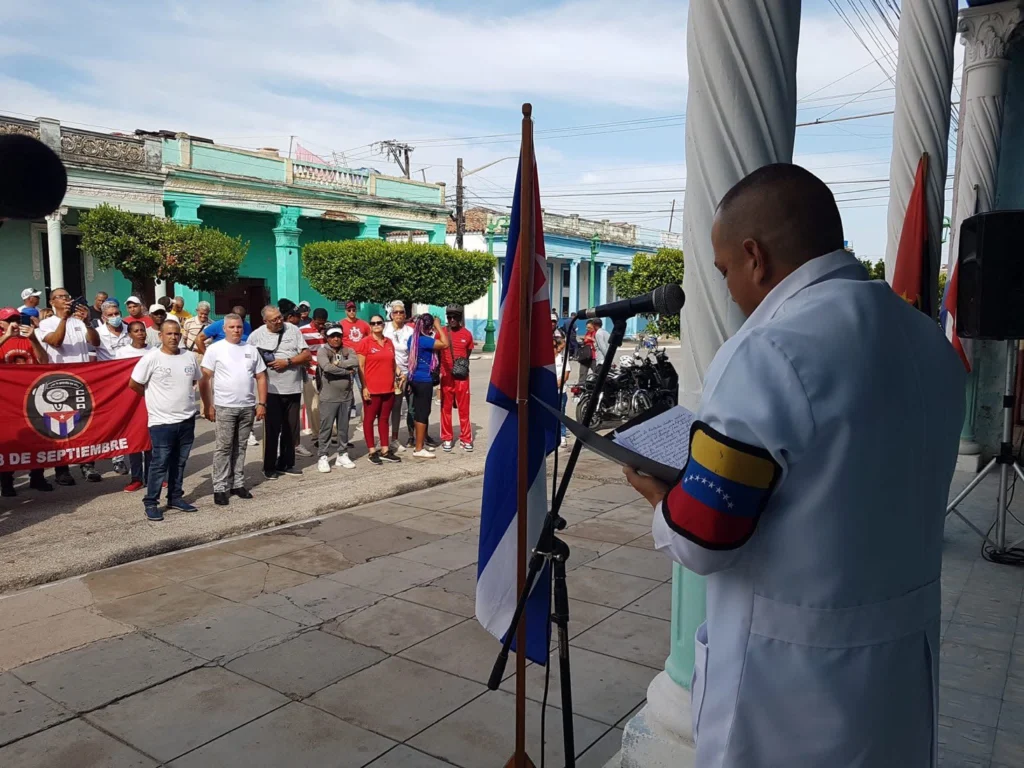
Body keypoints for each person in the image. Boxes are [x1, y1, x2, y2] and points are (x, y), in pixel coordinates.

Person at [623, 163, 965, 767]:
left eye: (725, 270)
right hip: (897, 680)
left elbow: (704, 541)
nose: (730, 290)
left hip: (789, 695)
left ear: (755, 257)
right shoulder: (928, 341)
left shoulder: (769, 352)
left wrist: (659, 496)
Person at [128, 319, 207, 521]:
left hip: (187, 419)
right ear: (160, 336)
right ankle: (151, 502)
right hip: (161, 422)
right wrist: (152, 398)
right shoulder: (151, 358)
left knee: (179, 463)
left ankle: (175, 497)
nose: (173, 337)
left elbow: (196, 379)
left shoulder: (189, 357)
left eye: (176, 334)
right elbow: (134, 384)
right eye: (169, 334)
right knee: (159, 463)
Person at [200, 313, 267, 506]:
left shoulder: (251, 349)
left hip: (247, 407)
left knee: (241, 446)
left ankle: (237, 483)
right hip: (225, 407)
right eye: (232, 327)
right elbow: (205, 378)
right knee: (224, 447)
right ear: (224, 329)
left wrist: (262, 403)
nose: (236, 330)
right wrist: (208, 405)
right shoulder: (215, 349)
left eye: (239, 327)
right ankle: (220, 487)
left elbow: (261, 377)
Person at [37, 287, 102, 484]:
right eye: (61, 297)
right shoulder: (46, 323)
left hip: (80, 380)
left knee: (84, 424)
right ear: (52, 302)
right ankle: (62, 469)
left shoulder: (78, 322)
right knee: (61, 426)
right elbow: (56, 342)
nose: (66, 299)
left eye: (67, 296)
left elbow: (95, 342)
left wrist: (88, 323)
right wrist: (64, 319)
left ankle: (87, 464)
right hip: (58, 381)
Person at [247, 305, 310, 479]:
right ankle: (269, 466)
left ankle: (286, 463)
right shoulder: (256, 336)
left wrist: (288, 362)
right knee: (272, 430)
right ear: (265, 321)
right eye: (274, 319)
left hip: (293, 388)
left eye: (280, 317)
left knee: (291, 428)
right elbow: (248, 360)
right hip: (271, 390)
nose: (279, 321)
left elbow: (306, 355)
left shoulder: (293, 330)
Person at [0, 308, 51, 497]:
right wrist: (6, 336)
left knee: (35, 437)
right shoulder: (2, 339)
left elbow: (44, 362)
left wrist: (34, 339)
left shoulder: (29, 338)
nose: (14, 322)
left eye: (17, 318)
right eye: (9, 320)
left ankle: (37, 476)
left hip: (30, 395)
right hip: (6, 398)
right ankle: (6, 481)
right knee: (8, 439)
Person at [356, 314, 401, 465]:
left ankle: (385, 450)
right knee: (369, 420)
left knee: (384, 419)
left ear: (383, 324)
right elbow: (361, 367)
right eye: (373, 323)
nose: (376, 325)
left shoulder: (389, 342)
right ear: (370, 325)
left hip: (388, 388)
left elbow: (392, 362)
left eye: (379, 322)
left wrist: (399, 372)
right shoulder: (365, 343)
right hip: (372, 389)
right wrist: (364, 387)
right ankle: (371, 451)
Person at [116, 321, 153, 492]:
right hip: (131, 400)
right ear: (129, 334)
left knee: (151, 439)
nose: (140, 333)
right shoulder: (122, 353)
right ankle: (136, 478)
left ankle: (153, 477)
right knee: (135, 438)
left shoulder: (154, 351)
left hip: (150, 398)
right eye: (136, 331)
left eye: (142, 330)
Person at [316, 326, 359, 472]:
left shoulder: (348, 350)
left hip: (345, 397)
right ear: (327, 338)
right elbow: (327, 367)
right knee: (326, 428)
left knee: (343, 427)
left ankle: (342, 453)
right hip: (328, 397)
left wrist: (339, 364)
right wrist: (347, 372)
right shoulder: (323, 351)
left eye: (338, 336)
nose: (336, 339)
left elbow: (355, 362)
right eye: (332, 336)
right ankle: (323, 456)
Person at [407, 314, 448, 459]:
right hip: (424, 380)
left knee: (419, 411)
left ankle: (420, 443)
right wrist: (438, 326)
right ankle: (419, 448)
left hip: (414, 378)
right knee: (423, 413)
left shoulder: (412, 339)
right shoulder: (425, 341)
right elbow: (445, 344)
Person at [439, 304, 474, 452]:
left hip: (462, 377)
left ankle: (466, 438)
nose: (452, 319)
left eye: (455, 317)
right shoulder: (441, 333)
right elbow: (437, 353)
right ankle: (447, 438)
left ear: (460, 318)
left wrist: (460, 367)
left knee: (464, 409)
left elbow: (468, 353)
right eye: (449, 317)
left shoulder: (467, 334)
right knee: (445, 408)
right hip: (446, 376)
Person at [383, 300, 415, 453]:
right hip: (388, 374)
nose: (398, 315)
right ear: (391, 314)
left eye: (401, 312)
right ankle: (391, 439)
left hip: (407, 373)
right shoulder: (385, 329)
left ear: (405, 314)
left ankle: (411, 436)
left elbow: (414, 353)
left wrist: (411, 374)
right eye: (395, 312)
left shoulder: (410, 331)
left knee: (411, 407)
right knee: (393, 408)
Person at [299, 308, 328, 443]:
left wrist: (325, 334)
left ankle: (332, 433)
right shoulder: (303, 331)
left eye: (323, 323)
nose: (321, 325)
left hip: (327, 373)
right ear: (313, 319)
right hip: (310, 373)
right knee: (313, 405)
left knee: (328, 404)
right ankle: (317, 434)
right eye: (318, 323)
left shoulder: (328, 330)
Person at [553, 329, 571, 449]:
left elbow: (566, 373)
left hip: (561, 392)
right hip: (549, 392)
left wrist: (559, 383)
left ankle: (562, 436)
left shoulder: (562, 359)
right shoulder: (547, 360)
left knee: (561, 413)